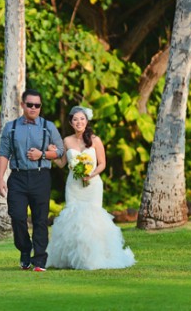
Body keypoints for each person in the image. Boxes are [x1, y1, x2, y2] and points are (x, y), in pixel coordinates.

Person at [46, 106, 136, 270]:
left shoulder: (95, 140)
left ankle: (94, 258)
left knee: (93, 220)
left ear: (86, 121)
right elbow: (62, 163)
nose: (79, 122)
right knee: (74, 219)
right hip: (73, 185)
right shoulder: (67, 141)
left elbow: (102, 164)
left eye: (82, 119)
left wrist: (91, 174)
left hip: (92, 185)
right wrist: (51, 154)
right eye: (75, 120)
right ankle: (72, 258)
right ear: (71, 122)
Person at [0, 89, 64, 272]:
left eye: (37, 105)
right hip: (17, 177)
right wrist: (0, 179)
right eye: (30, 104)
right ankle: (25, 251)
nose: (34, 108)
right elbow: (3, 154)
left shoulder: (48, 126)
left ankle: (40, 260)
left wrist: (42, 154)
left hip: (40, 176)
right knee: (17, 216)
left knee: (40, 220)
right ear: (23, 105)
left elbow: (60, 151)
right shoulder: (10, 128)